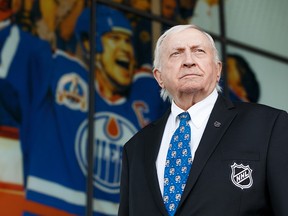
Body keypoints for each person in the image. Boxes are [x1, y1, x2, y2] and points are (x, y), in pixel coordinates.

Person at [1, 3, 168, 216]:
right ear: (90, 44)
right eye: (115, 39)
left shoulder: (146, 92)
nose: (126, 48)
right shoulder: (58, 72)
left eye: (128, 41)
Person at [118, 24, 288, 216]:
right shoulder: (136, 148)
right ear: (159, 77)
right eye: (176, 53)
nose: (188, 61)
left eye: (198, 51)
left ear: (217, 70)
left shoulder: (268, 125)